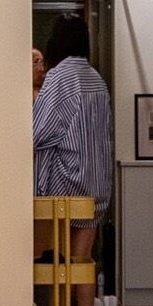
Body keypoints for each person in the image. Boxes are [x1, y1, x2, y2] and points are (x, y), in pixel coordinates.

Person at [32, 13, 113, 234]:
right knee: (82, 262)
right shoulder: (96, 79)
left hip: (66, 186)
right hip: (97, 183)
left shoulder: (59, 76)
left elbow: (39, 132)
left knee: (57, 260)